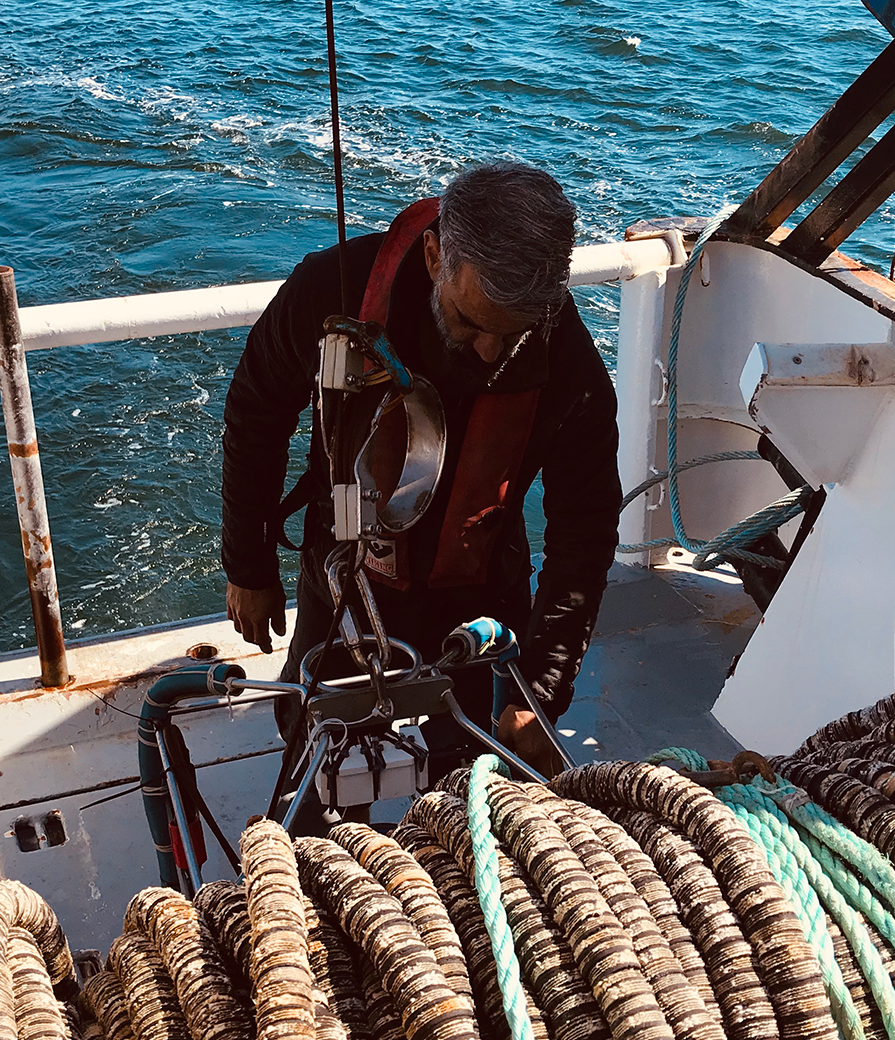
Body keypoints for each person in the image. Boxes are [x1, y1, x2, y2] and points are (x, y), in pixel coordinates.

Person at [220, 161, 620, 783]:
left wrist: (537, 694)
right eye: (471, 322)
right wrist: (249, 565)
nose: (488, 351)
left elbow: (585, 530)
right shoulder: (332, 290)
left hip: (482, 592)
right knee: (315, 742)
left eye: (511, 337)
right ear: (435, 254)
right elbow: (256, 413)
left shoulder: (568, 361)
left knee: (479, 779)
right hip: (345, 573)